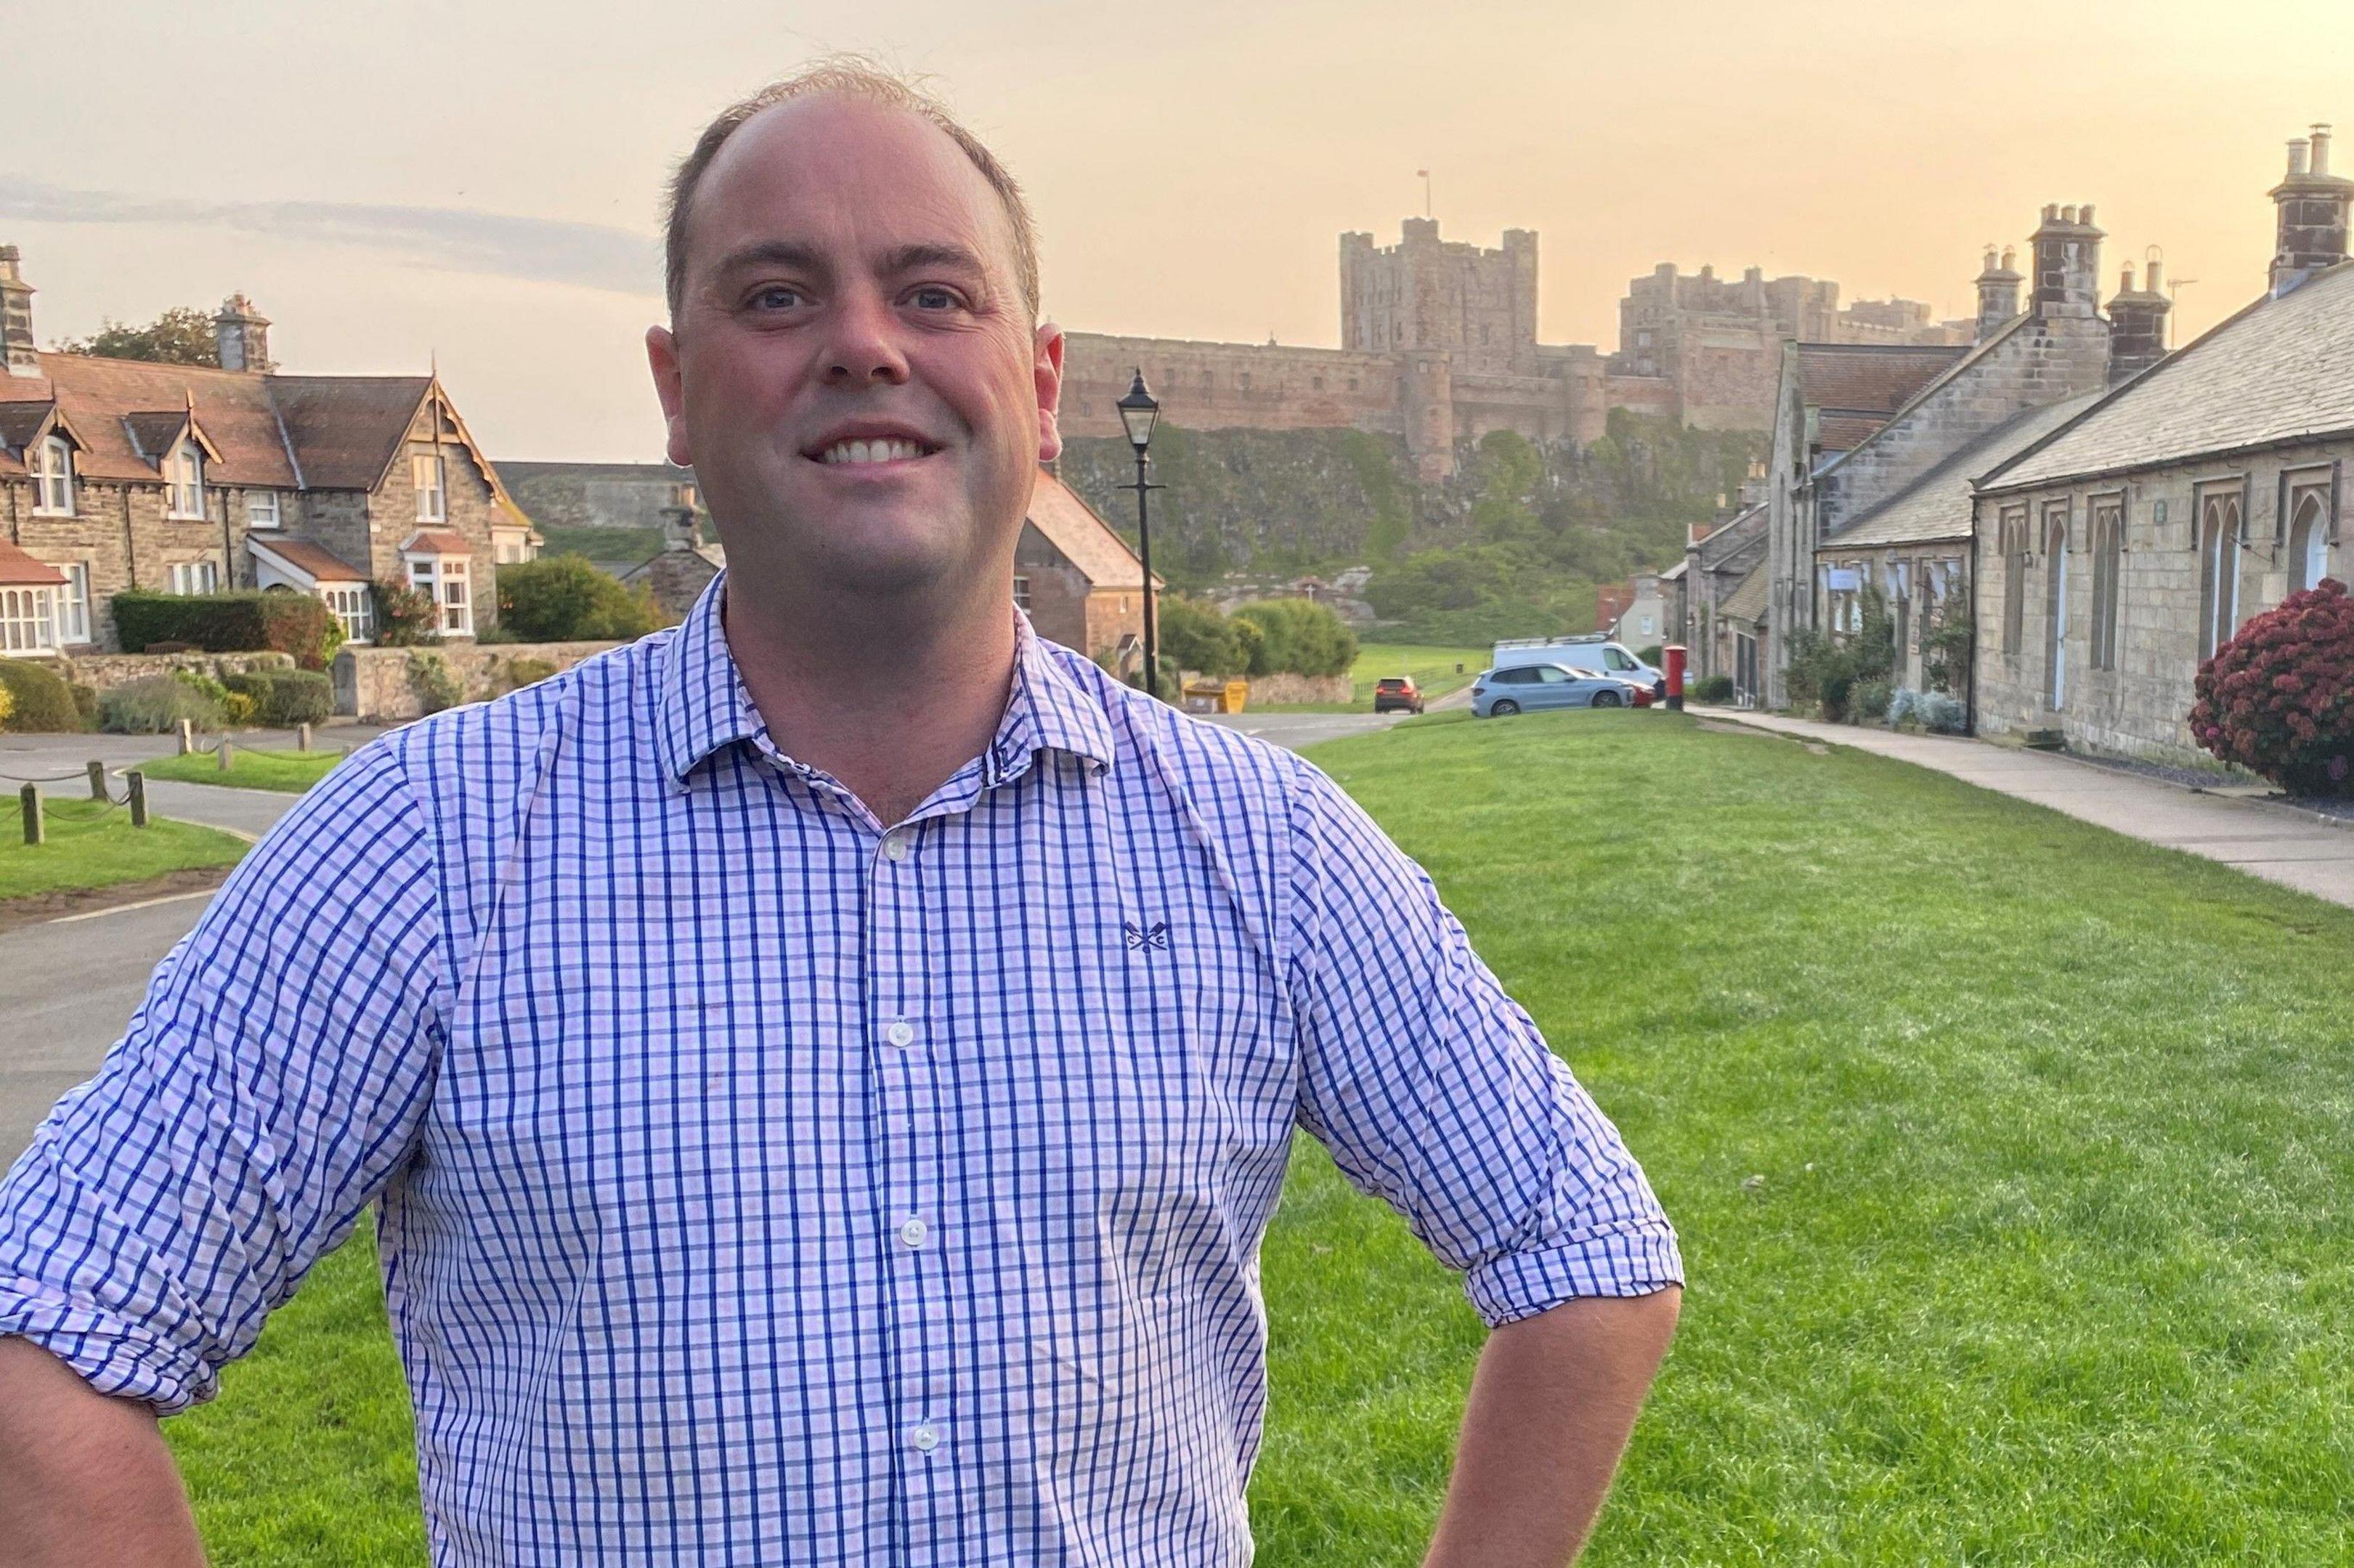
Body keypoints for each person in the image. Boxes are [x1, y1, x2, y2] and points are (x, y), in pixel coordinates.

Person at [0, 62, 1681, 1567]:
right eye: (779, 293)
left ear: (1041, 383)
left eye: (933, 292)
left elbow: (1587, 1247)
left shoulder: (1263, 847)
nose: (864, 342)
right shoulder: (429, 851)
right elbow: (43, 1350)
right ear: (675, 385)